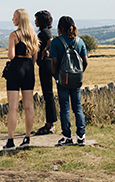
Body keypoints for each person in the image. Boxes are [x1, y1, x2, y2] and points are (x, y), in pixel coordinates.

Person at [3, 9, 39, 150]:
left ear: (20, 19)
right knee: (29, 106)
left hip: (16, 69)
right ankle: (27, 138)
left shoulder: (14, 35)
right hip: (29, 69)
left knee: (13, 107)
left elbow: (11, 55)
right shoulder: (33, 35)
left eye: (14, 17)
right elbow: (35, 58)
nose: (12, 19)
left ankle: (10, 140)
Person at [50, 16, 88, 146]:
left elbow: (54, 62)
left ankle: (67, 137)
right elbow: (86, 61)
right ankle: (81, 136)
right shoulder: (80, 41)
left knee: (64, 107)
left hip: (63, 79)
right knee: (77, 106)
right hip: (76, 79)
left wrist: (55, 75)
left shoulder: (56, 42)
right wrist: (78, 74)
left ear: (60, 28)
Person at [34, 10, 57, 135]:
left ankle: (49, 124)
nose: (35, 21)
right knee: (48, 94)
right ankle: (50, 122)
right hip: (46, 64)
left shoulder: (44, 32)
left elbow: (50, 41)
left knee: (47, 94)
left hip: (45, 65)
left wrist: (45, 50)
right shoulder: (45, 31)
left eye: (37, 19)